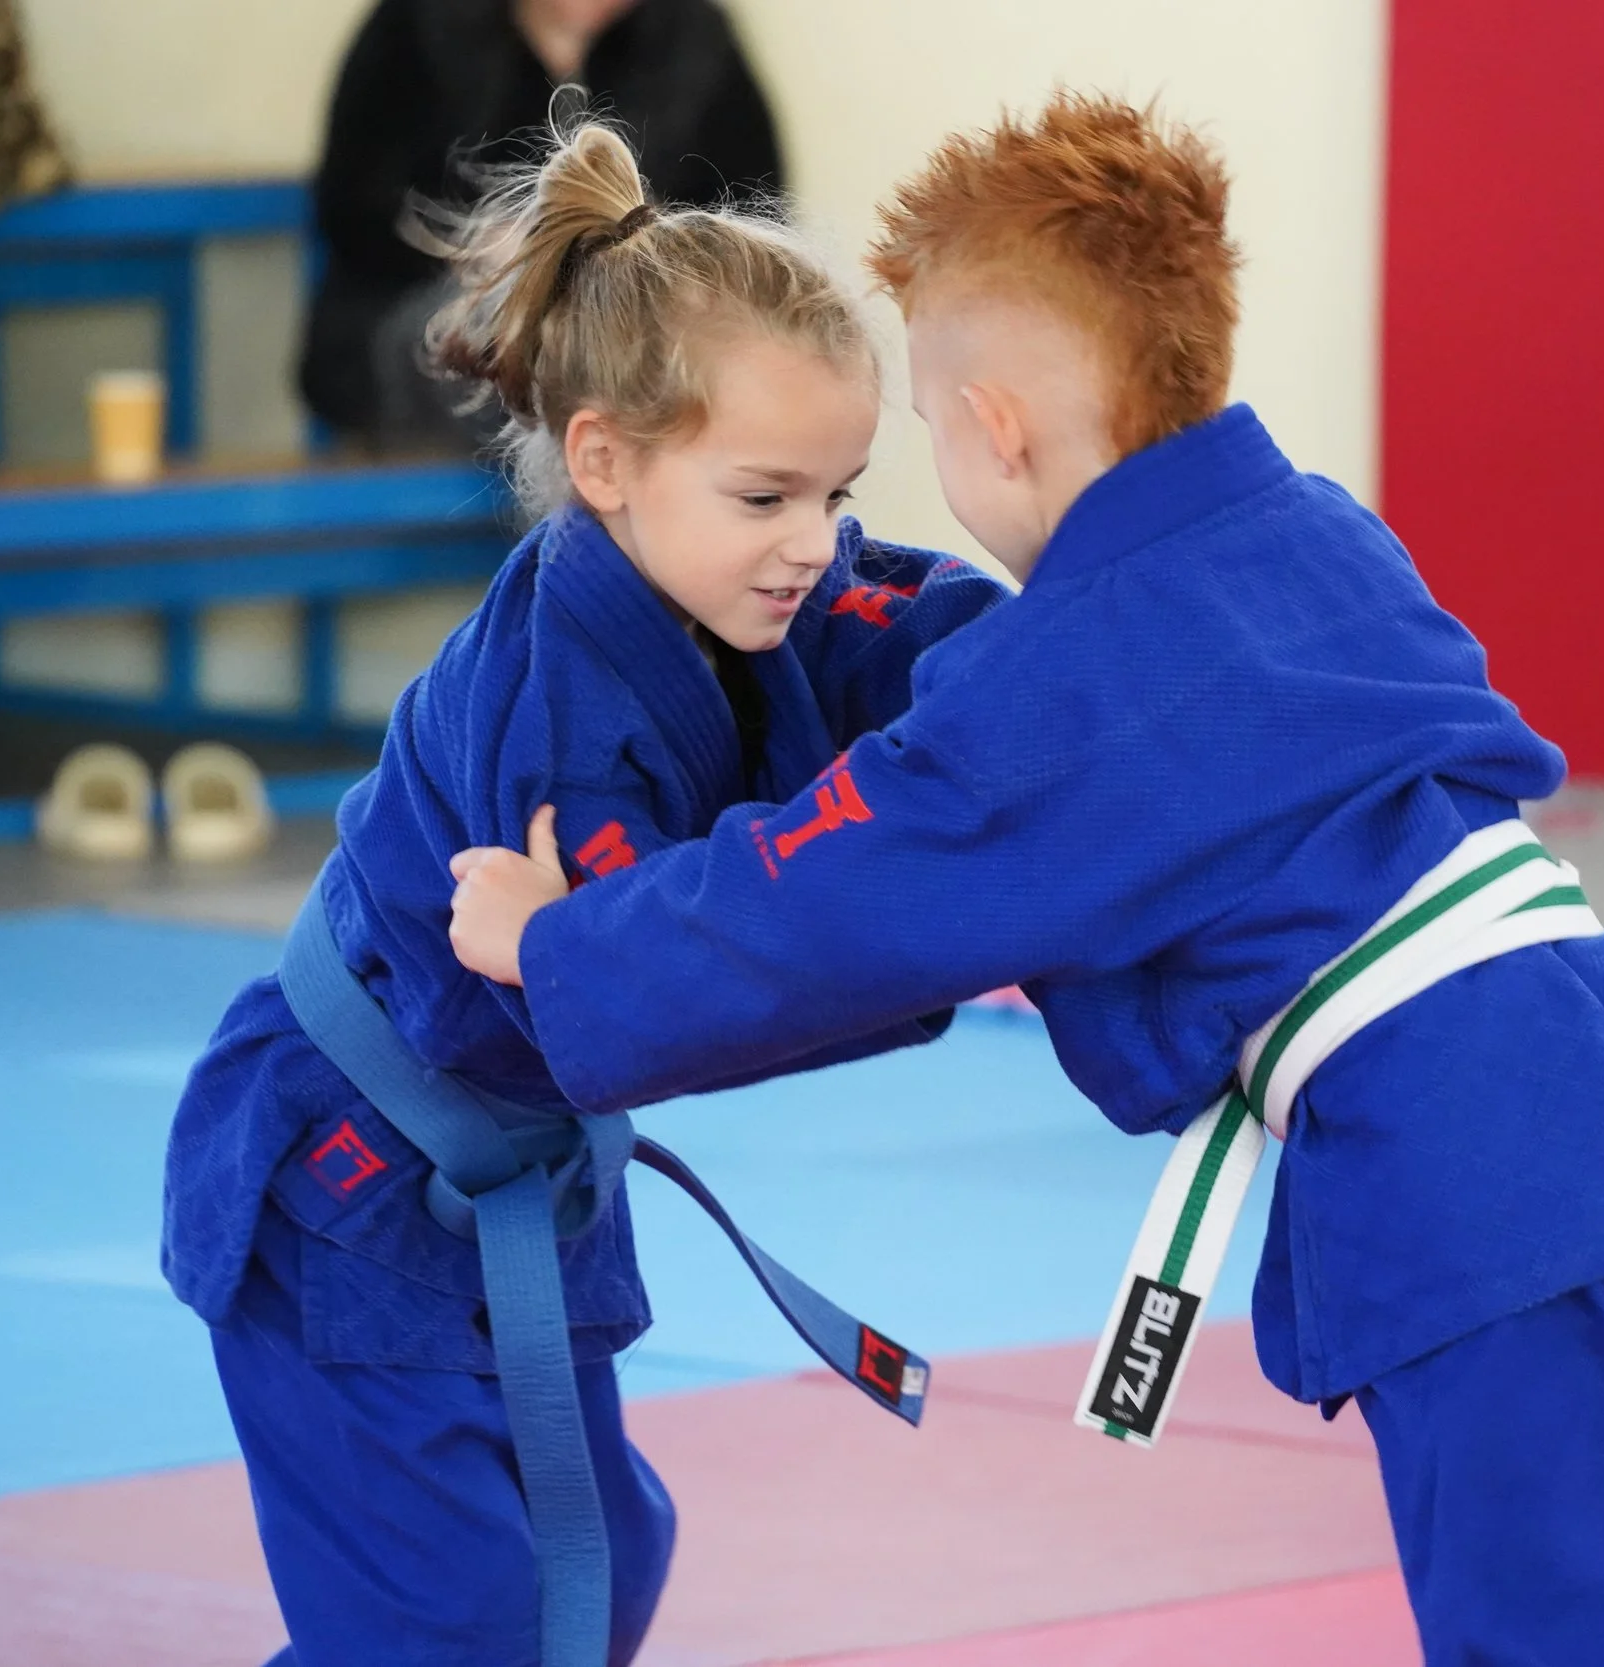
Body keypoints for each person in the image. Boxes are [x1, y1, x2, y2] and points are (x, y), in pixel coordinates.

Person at [449, 92, 1604, 1665]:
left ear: (996, 425)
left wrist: (569, 943)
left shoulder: (1068, 698)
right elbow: (1109, 736)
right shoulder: (1316, 537)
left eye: (924, 433)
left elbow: (819, 901)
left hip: (1479, 1179)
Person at [162, 119, 1005, 1667]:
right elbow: (683, 989)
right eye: (770, 498)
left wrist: (1075, 666)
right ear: (607, 460)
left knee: (601, 1566)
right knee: (456, 1625)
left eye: (839, 490)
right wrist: (566, 950)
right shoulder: (568, 717)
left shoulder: (740, 569)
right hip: (343, 1186)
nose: (816, 544)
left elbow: (916, 620)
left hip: (510, 1174)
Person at [302, 0, 782, 450]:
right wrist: (469, 249)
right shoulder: (419, 26)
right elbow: (353, 206)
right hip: (425, 311)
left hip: (637, 317)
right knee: (544, 340)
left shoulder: (697, 43)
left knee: (644, 348)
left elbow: (751, 218)